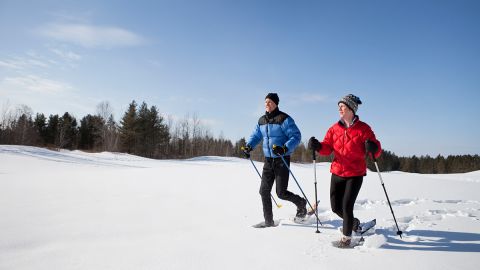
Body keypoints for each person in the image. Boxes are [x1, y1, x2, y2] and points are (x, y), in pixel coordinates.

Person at [308, 94, 381, 247]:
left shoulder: (364, 128)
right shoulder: (334, 129)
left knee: (347, 206)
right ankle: (353, 223)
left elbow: (376, 148)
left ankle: (346, 239)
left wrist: (374, 148)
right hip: (337, 172)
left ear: (351, 109)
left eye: (343, 106)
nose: (340, 109)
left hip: (355, 174)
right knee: (336, 207)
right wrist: (318, 146)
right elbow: (327, 147)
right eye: (339, 107)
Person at [242, 93, 306, 228]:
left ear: (276, 103)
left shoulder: (284, 119)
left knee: (281, 193)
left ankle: (301, 203)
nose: (267, 104)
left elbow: (296, 136)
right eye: (265, 102)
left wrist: (284, 148)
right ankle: (269, 222)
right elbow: (256, 135)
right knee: (263, 191)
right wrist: (249, 146)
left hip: (281, 159)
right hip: (268, 160)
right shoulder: (262, 120)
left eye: (270, 102)